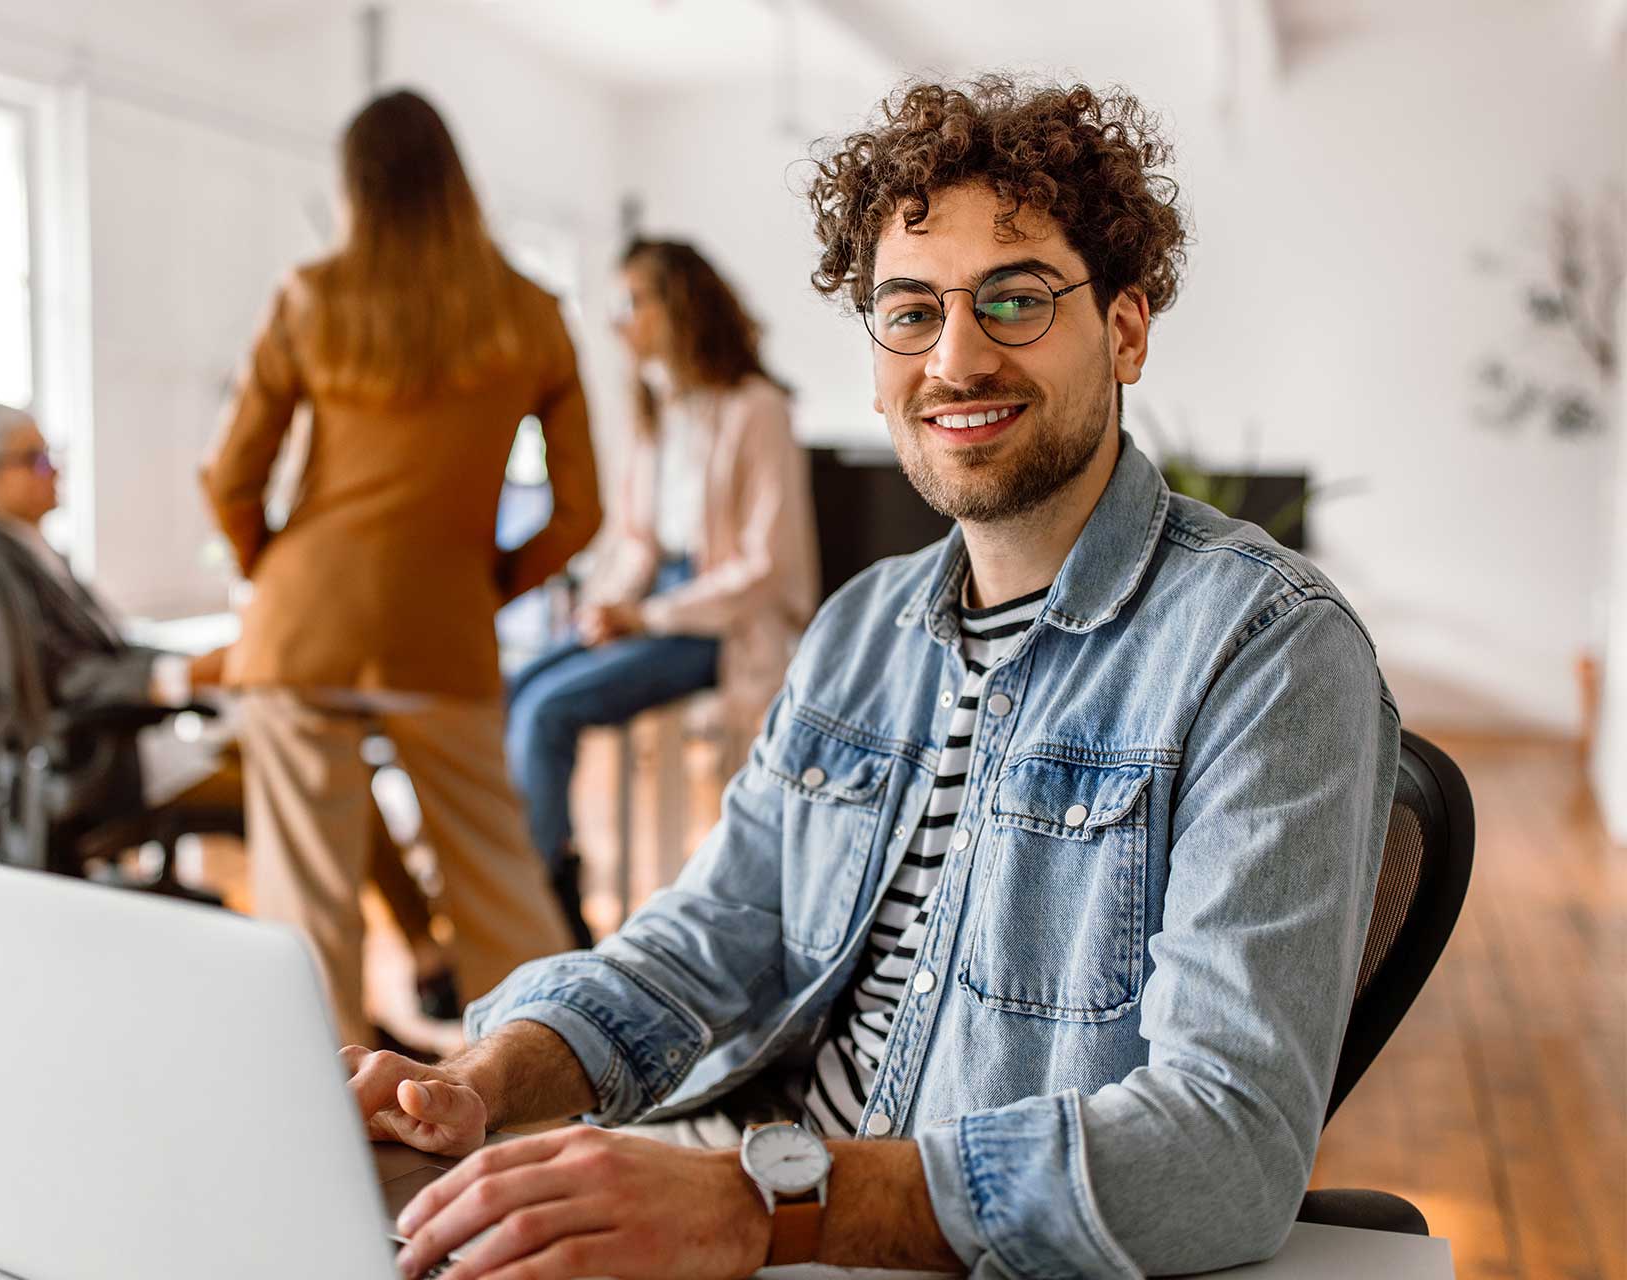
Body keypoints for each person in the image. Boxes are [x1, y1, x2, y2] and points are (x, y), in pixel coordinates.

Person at [352, 76, 1398, 1279]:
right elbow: (710, 938)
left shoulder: (1264, 650)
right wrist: (481, 1079)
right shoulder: (861, 629)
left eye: (1015, 299)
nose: (955, 357)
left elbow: (1225, 1143)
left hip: (914, 1243)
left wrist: (765, 1204)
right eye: (909, 311)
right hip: (744, 1187)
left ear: (1124, 329)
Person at [201, 90, 596, 1046]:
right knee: (499, 880)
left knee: (307, 907)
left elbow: (231, 477)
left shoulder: (310, 297)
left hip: (303, 624)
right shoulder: (532, 312)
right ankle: (541, 1088)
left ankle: (321, 1105)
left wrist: (272, 575)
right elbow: (579, 512)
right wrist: (481, 585)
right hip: (441, 626)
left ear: (354, 188)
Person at [0, 400, 456, 1015]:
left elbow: (101, 651)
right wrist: (183, 677)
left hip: (138, 741)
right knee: (317, 781)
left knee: (330, 765)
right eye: (35, 460)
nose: (55, 471)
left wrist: (198, 665)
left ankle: (416, 951)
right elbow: (56, 688)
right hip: (104, 766)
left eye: (52, 455)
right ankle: (338, 1002)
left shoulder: (29, 551)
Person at [506, 238, 820, 947]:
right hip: (654, 607)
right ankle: (543, 872)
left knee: (548, 710)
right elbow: (637, 541)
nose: (618, 320)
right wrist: (605, 609)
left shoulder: (757, 409)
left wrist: (644, 615)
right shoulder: (657, 409)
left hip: (719, 625)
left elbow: (764, 570)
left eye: (631, 301)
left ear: (678, 305)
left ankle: (543, 907)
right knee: (518, 684)